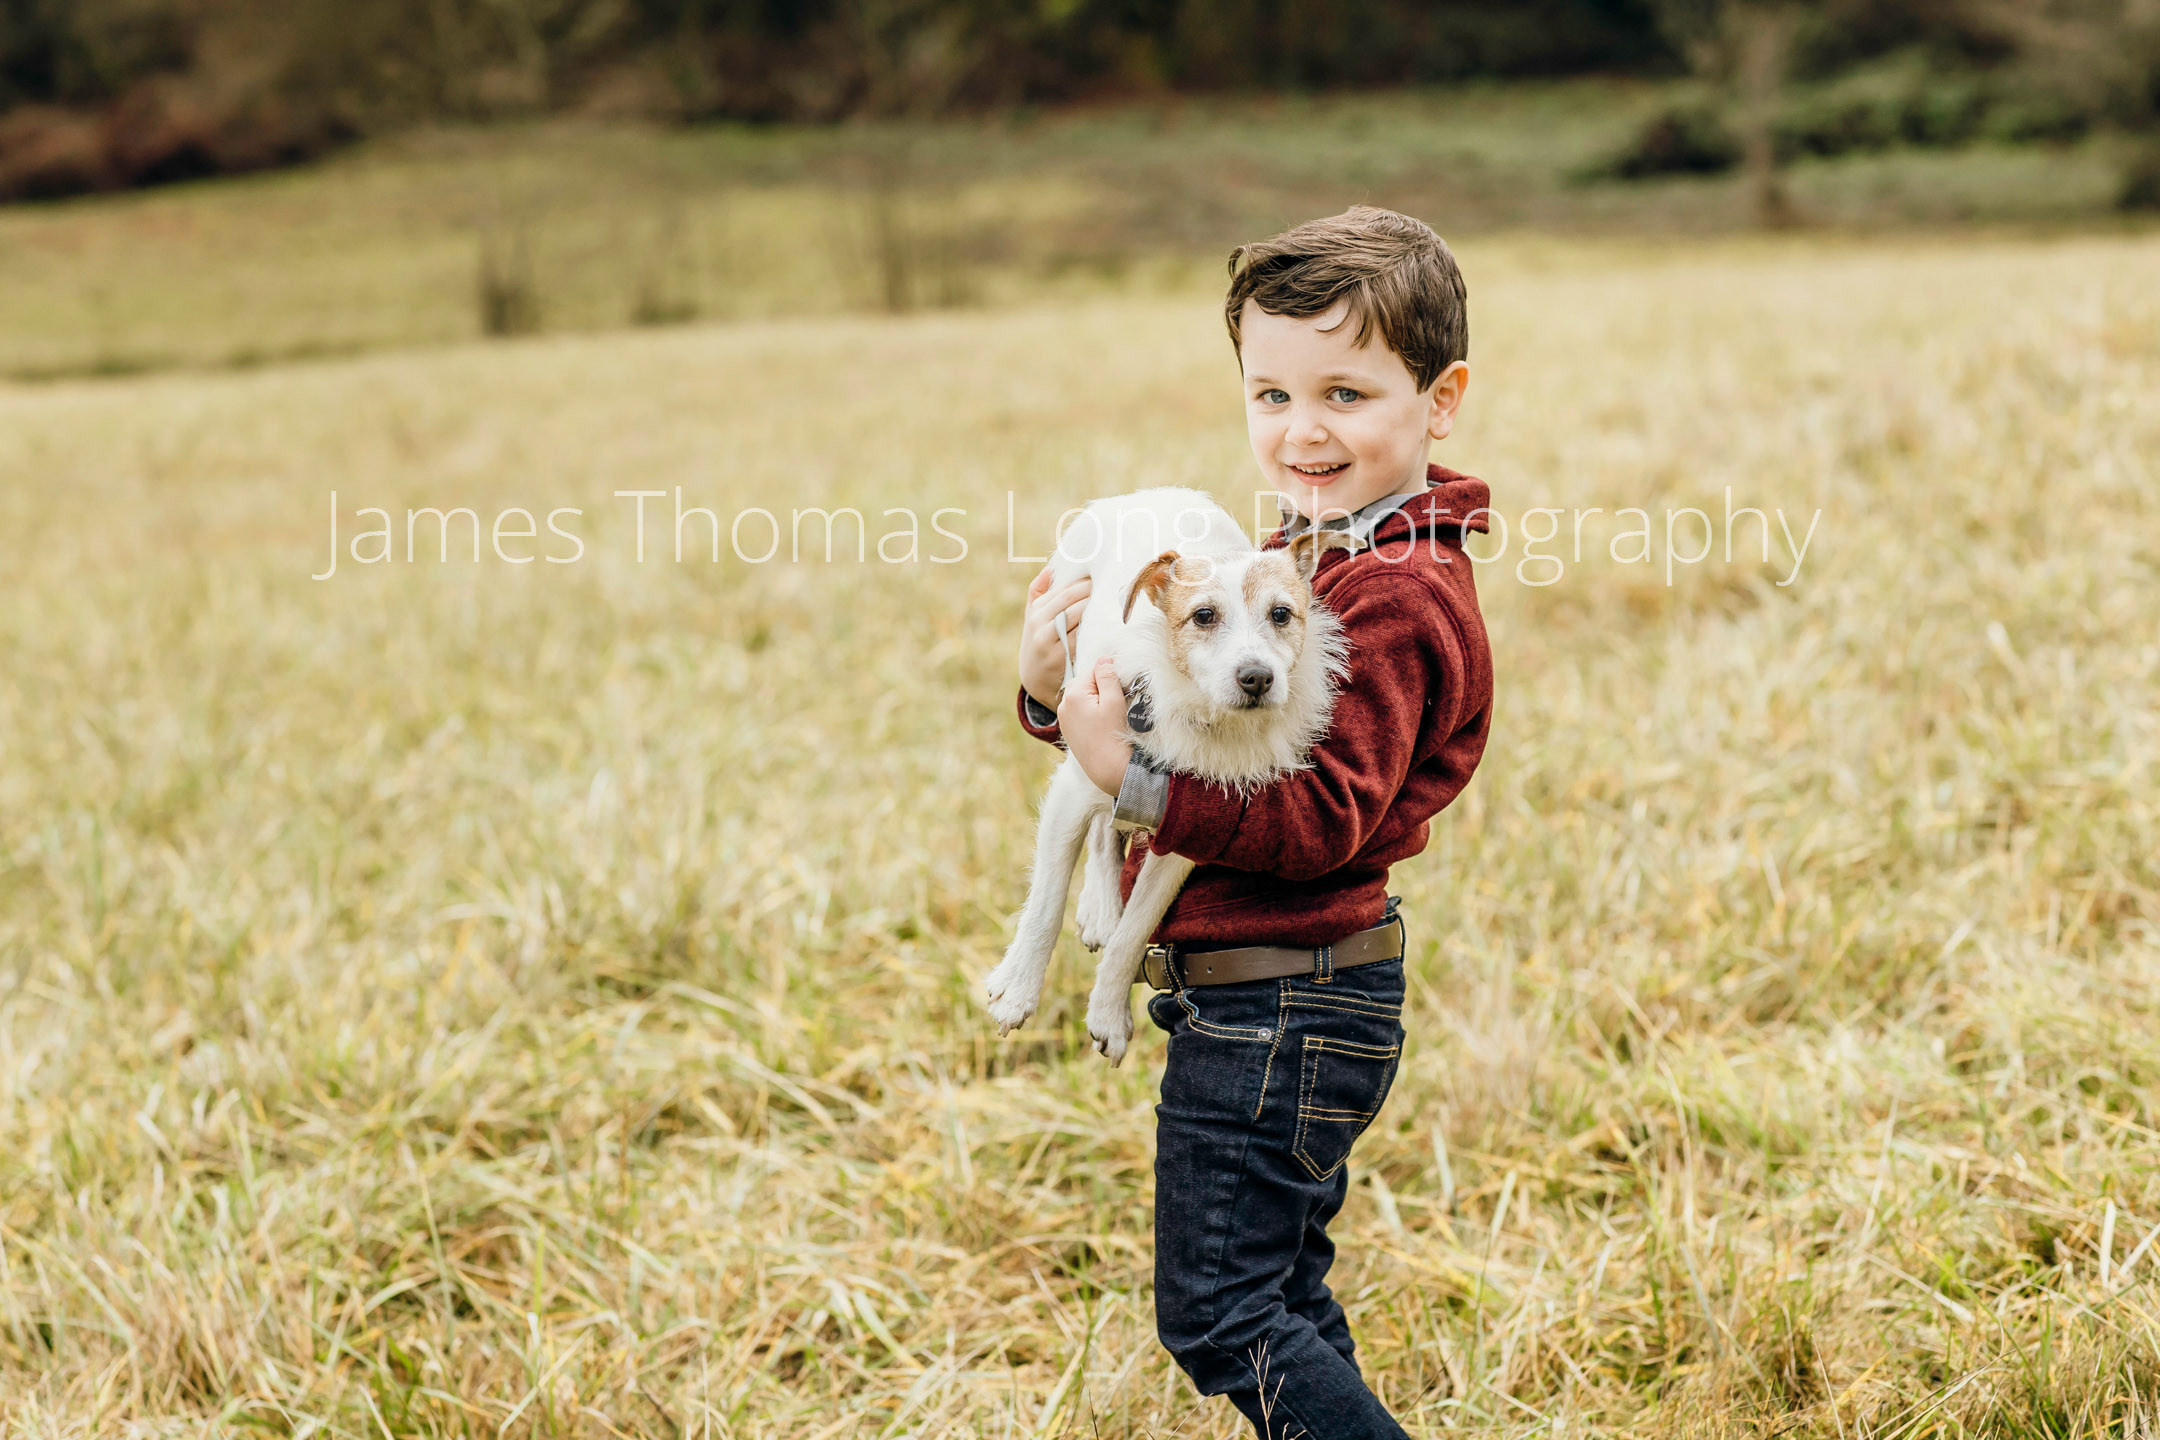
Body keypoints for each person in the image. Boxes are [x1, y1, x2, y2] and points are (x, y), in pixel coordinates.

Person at [1013, 205, 1495, 1438]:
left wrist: (1131, 783)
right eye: (1271, 394)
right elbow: (1164, 720)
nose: (1303, 429)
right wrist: (1043, 686)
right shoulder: (1306, 556)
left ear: (1439, 402)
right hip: (1282, 994)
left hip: (1289, 1003)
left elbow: (1322, 816)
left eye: (1346, 391)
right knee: (1282, 1292)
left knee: (1222, 1314)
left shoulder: (1391, 592)